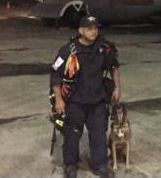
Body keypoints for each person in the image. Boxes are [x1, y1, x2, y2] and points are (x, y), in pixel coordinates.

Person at [50, 16, 120, 178]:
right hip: (75, 101)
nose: (93, 31)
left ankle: (100, 164)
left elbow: (114, 66)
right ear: (80, 30)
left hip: (97, 100)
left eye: (95, 28)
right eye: (89, 28)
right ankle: (70, 164)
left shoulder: (104, 48)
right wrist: (59, 100)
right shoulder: (68, 50)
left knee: (99, 133)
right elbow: (55, 74)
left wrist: (117, 87)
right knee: (72, 134)